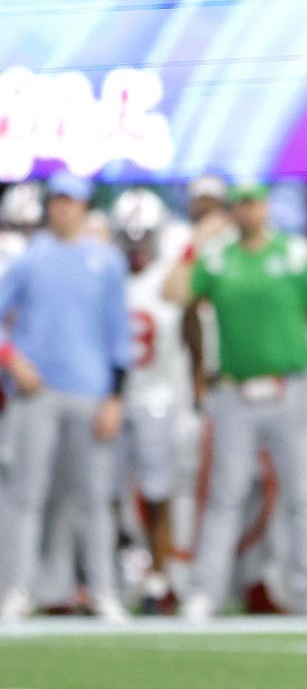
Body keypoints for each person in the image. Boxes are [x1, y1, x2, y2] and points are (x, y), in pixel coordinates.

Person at [167, 183, 307, 624]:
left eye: (254, 203)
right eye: (240, 204)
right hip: (235, 389)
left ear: (266, 206)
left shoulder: (294, 254)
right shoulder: (219, 257)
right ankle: (205, 592)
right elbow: (176, 294)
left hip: (290, 387)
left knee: (303, 493)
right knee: (225, 494)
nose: (248, 212)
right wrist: (197, 240)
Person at [0, 173, 132, 623]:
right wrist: (11, 359)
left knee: (95, 497)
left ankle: (103, 589)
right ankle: (17, 589)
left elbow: (119, 334)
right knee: (25, 495)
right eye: (57, 201)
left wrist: (116, 395)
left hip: (90, 391)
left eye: (71, 201)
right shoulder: (28, 259)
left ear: (84, 206)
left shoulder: (106, 261)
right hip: (37, 392)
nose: (64, 209)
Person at [111, 189, 196, 613]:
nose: (137, 247)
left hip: (159, 396)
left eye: (143, 237)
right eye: (130, 238)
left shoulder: (169, 274)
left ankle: (164, 574)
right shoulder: (105, 271)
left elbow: (191, 322)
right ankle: (121, 574)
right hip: (114, 396)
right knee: (109, 493)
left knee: (160, 491)